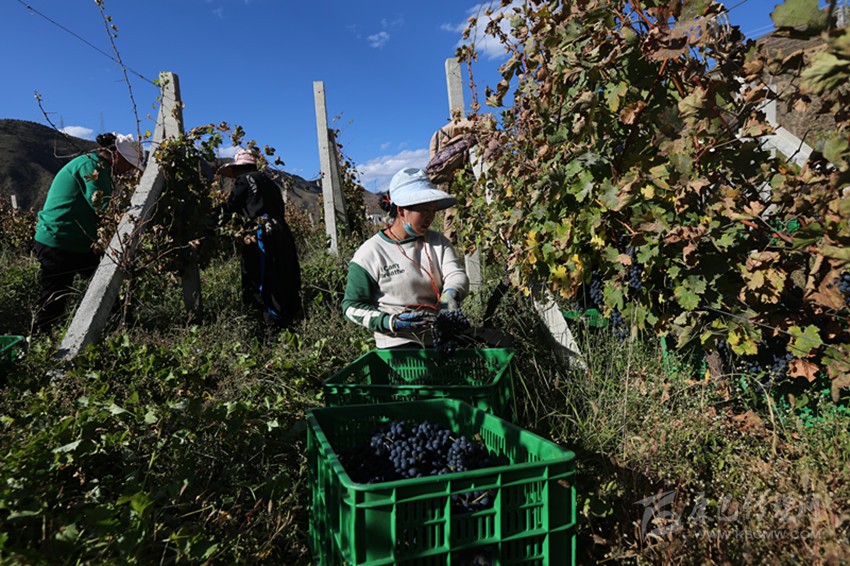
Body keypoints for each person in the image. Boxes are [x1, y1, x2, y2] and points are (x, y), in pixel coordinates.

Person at [32, 132, 145, 336]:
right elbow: (103, 206)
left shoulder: (98, 167)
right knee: (54, 297)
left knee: (107, 285)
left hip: (79, 243)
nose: (129, 171)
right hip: (59, 240)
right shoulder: (92, 167)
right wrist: (135, 213)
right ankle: (39, 339)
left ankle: (119, 331)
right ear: (117, 155)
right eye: (129, 164)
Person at [342, 167, 469, 349]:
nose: (430, 218)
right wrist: (389, 321)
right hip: (397, 344)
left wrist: (450, 295)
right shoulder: (371, 253)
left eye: (433, 211)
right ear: (402, 211)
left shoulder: (438, 242)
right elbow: (351, 306)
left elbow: (455, 274)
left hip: (439, 338)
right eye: (423, 211)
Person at [217, 148, 302, 328]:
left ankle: (268, 325)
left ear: (239, 168)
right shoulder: (269, 183)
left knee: (260, 276)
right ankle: (289, 320)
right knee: (283, 272)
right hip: (281, 232)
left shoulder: (244, 180)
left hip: (261, 234)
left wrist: (210, 219)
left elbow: (230, 207)